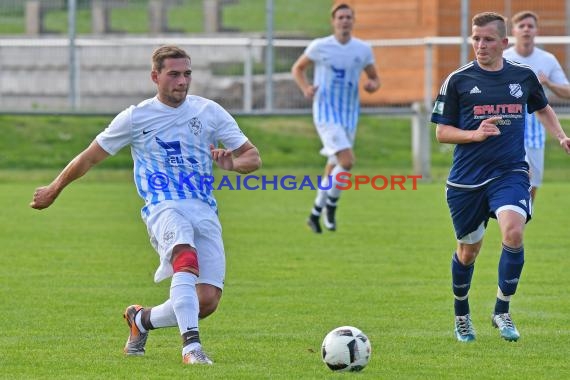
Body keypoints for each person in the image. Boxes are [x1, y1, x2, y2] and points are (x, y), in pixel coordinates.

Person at [30, 45, 262, 364]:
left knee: (206, 301)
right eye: (174, 74)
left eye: (187, 74)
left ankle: (141, 320)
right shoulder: (135, 117)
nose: (183, 81)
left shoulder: (209, 111)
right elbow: (89, 157)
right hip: (163, 207)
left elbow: (252, 156)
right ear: (155, 76)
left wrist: (233, 165)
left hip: (204, 209)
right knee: (185, 256)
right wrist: (55, 188)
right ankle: (191, 348)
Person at [431, 12, 570, 343]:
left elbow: (543, 107)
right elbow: (442, 133)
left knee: (513, 232)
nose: (480, 45)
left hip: (510, 171)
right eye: (476, 38)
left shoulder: (522, 77)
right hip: (467, 179)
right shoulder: (458, 80)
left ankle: (501, 310)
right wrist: (474, 135)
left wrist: (561, 136)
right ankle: (462, 314)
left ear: (504, 43)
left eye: (488, 39)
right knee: (469, 252)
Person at [291, 3, 380, 234]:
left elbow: (374, 77)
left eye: (348, 17)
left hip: (349, 114)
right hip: (326, 112)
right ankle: (331, 204)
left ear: (353, 20)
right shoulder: (320, 46)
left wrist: (372, 85)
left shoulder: (362, 49)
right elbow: (298, 68)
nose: (344, 21)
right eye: (340, 17)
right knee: (347, 160)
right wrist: (305, 88)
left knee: (333, 166)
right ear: (333, 21)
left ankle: (315, 213)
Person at [503, 11, 570, 203]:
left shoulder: (546, 59)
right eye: (521, 26)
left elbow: (567, 92)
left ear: (536, 31)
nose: (526, 30)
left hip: (535, 129)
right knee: (507, 179)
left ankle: (518, 226)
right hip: (507, 124)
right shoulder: (503, 58)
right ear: (514, 31)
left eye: (530, 26)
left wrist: (548, 83)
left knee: (532, 184)